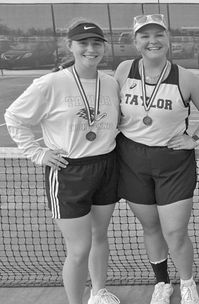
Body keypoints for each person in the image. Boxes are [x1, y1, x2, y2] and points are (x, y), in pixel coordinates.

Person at [4, 20, 120, 304]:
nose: (90, 49)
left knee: (100, 236)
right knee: (79, 249)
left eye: (96, 43)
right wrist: (38, 152)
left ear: (104, 47)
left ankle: (99, 293)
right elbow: (14, 117)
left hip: (106, 166)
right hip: (69, 172)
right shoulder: (50, 83)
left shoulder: (110, 82)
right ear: (70, 46)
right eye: (83, 43)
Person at [113, 14, 199, 304]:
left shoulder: (186, 77)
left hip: (173, 162)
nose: (152, 41)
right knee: (151, 226)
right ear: (135, 42)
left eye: (158, 34)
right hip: (132, 159)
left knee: (175, 230)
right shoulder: (123, 70)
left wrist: (194, 139)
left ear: (168, 40)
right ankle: (162, 283)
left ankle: (187, 282)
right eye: (144, 36)